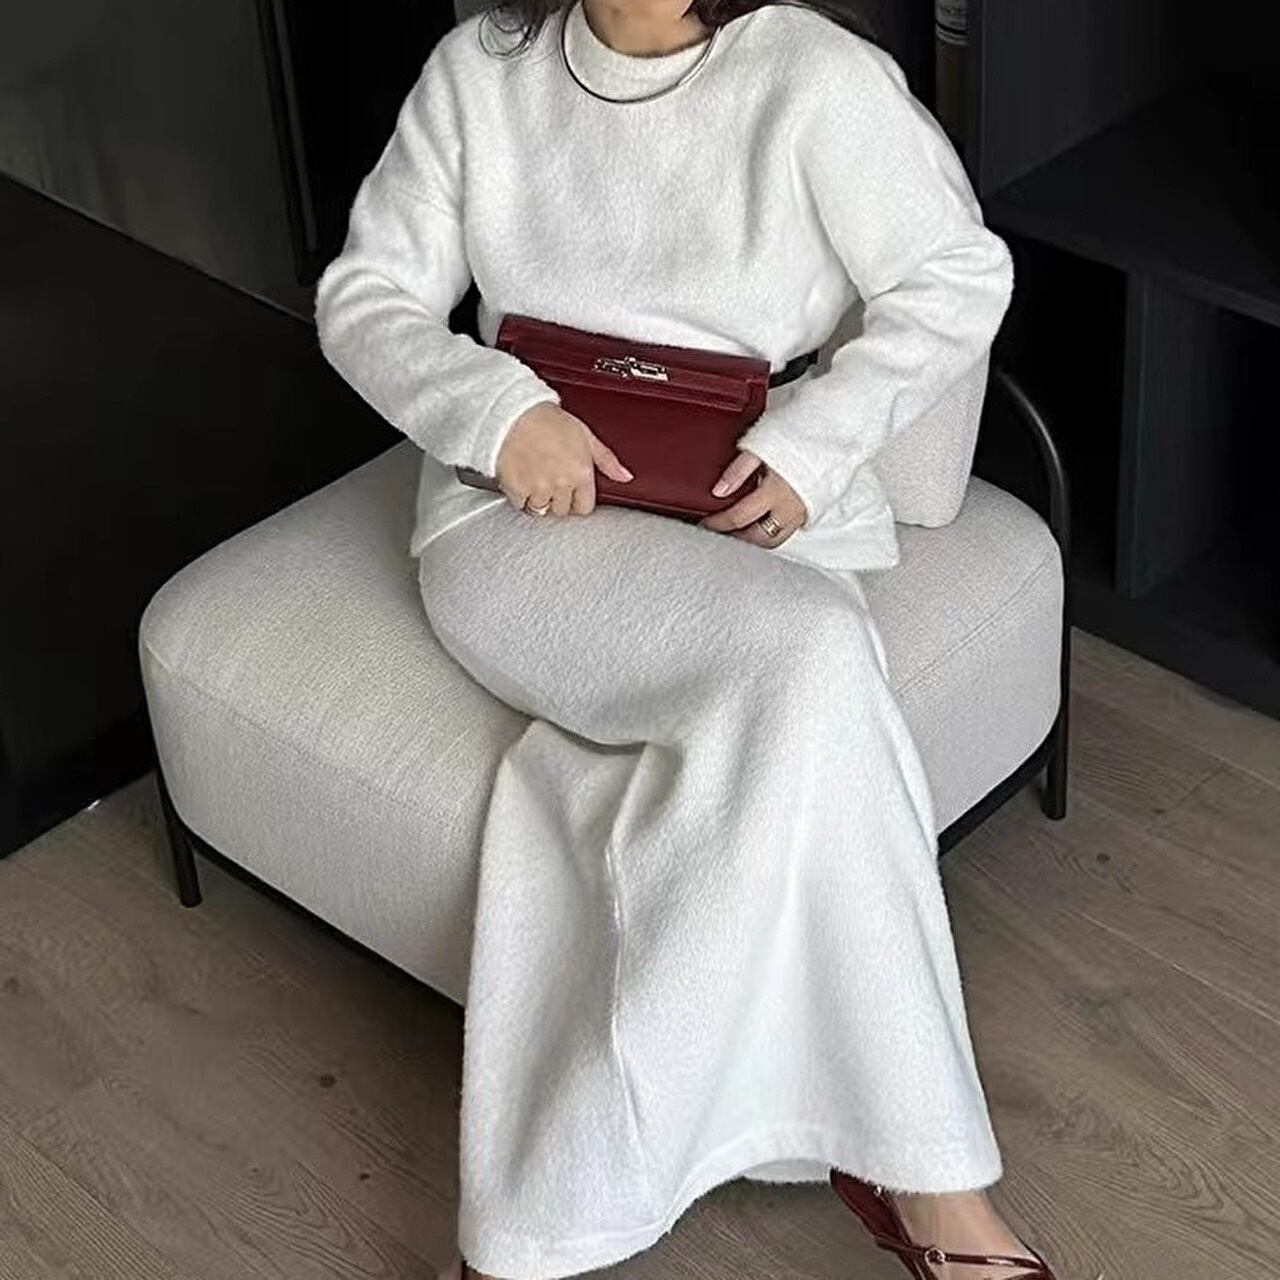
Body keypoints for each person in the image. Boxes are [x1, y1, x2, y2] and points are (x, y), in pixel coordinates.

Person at [314, 3, 1064, 1278]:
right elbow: (364, 295)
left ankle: (535, 1226)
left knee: (800, 684)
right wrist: (494, 413)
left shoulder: (814, 77)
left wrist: (818, 442)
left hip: (750, 516)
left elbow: (956, 275)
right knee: (814, 664)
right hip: (520, 524)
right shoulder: (479, 74)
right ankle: (936, 1192)